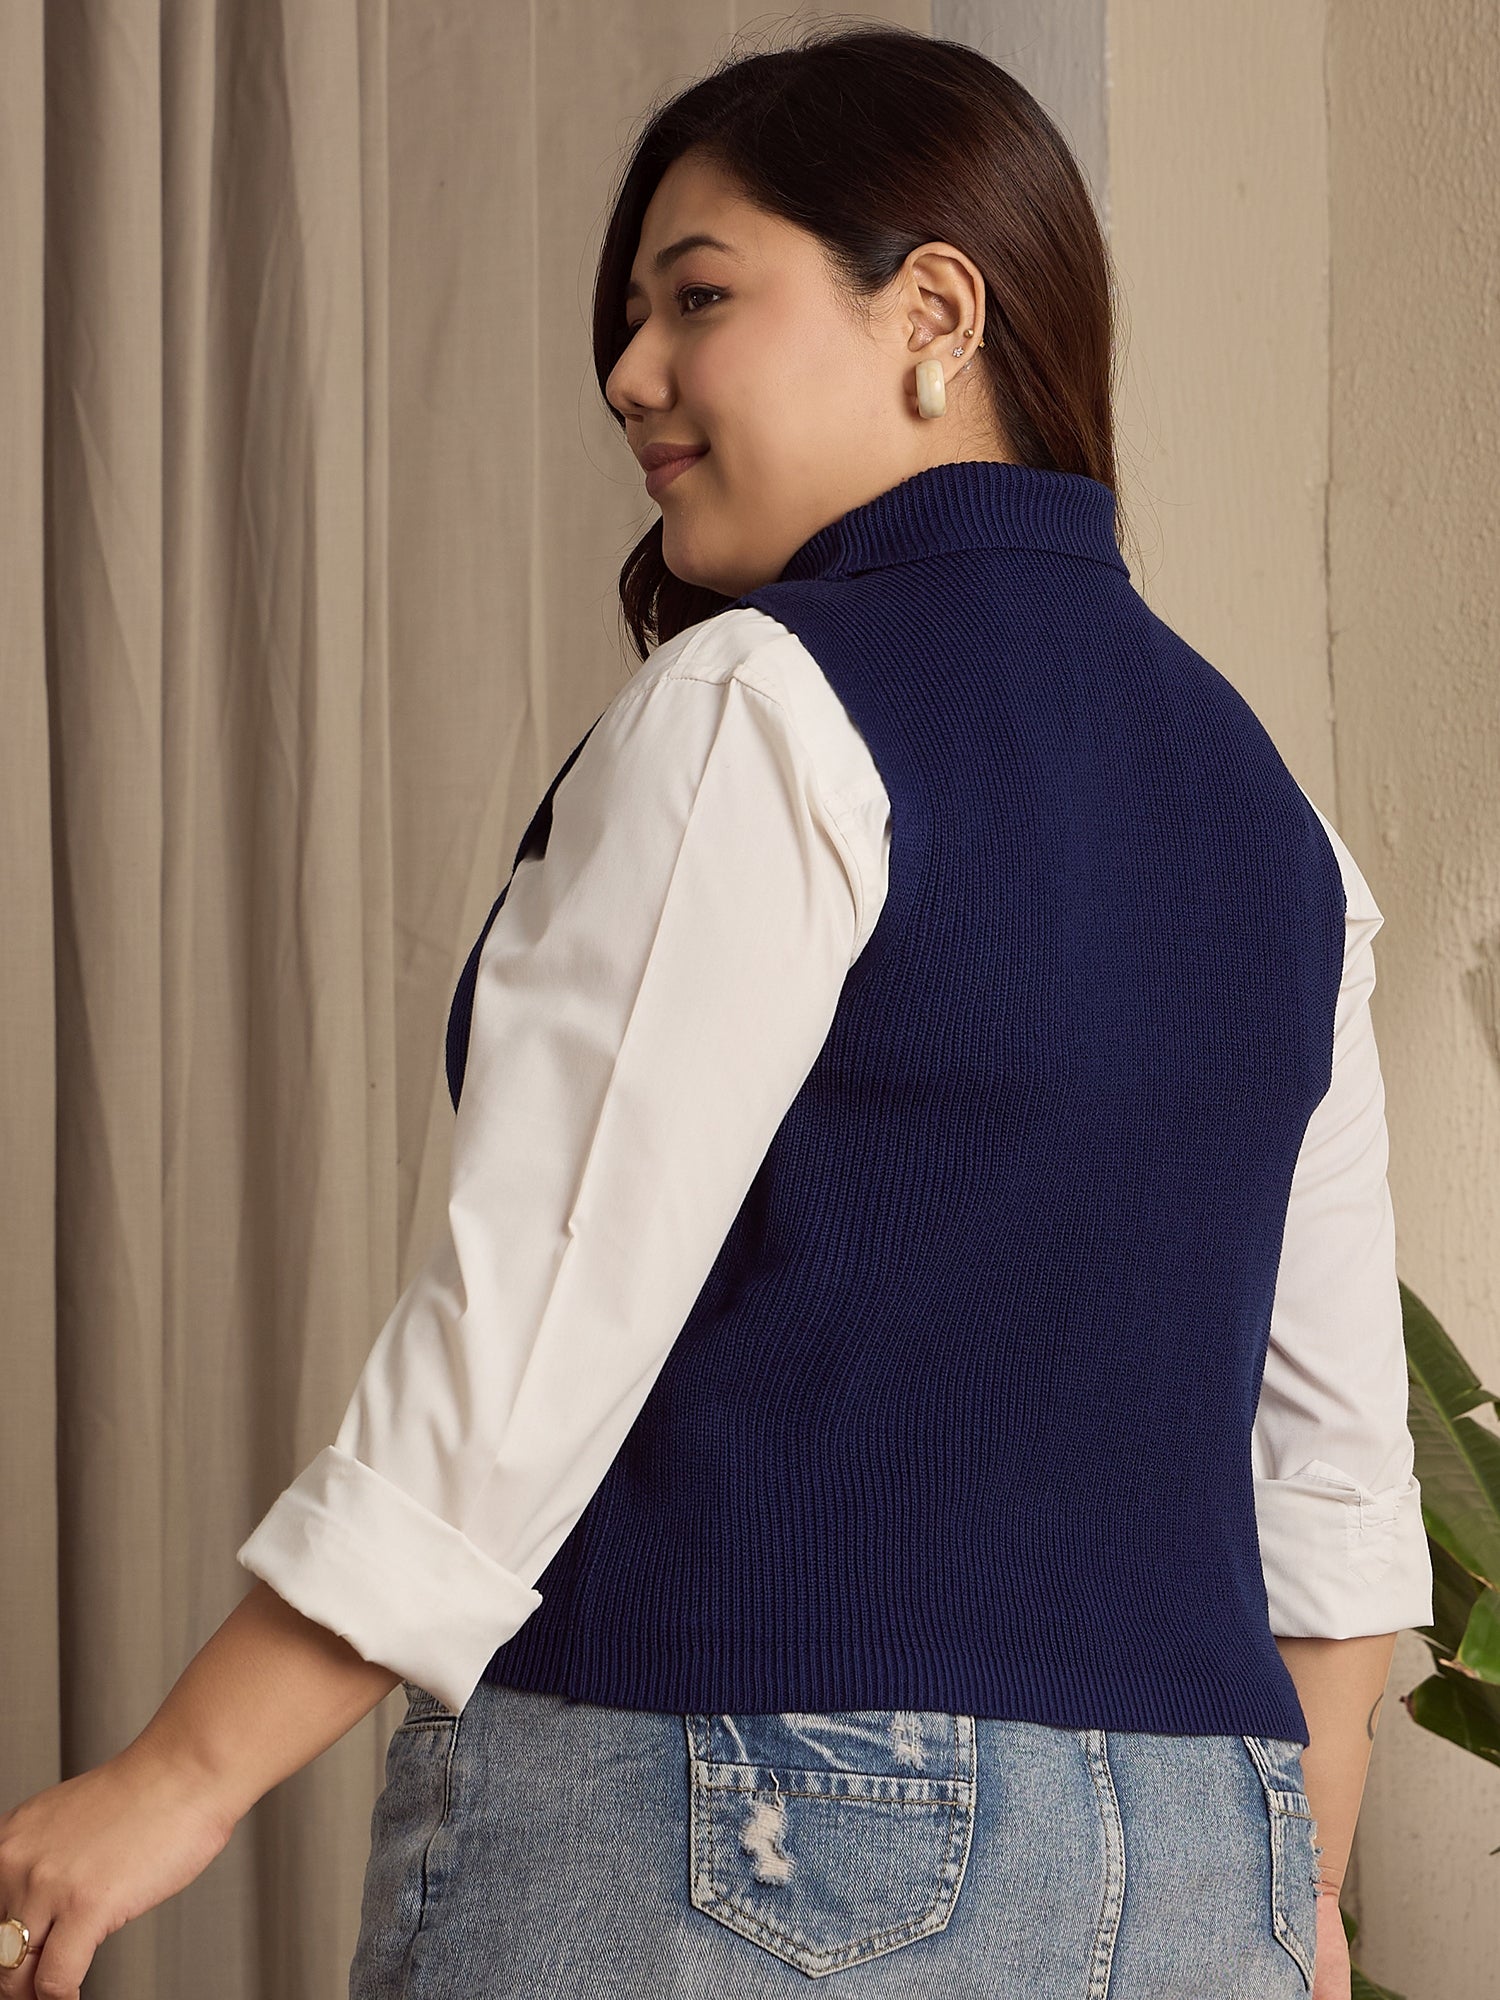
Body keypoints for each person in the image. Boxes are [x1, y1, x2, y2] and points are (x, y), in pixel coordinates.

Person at [0, 25, 1432, 2000]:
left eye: (696, 299)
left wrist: (180, 1775)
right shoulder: (1276, 821)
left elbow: (533, 1333)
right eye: (629, 318)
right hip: (1205, 1867)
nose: (627, 373)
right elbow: (1335, 1465)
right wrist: (1304, 1894)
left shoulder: (762, 703)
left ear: (933, 311)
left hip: (742, 1827)